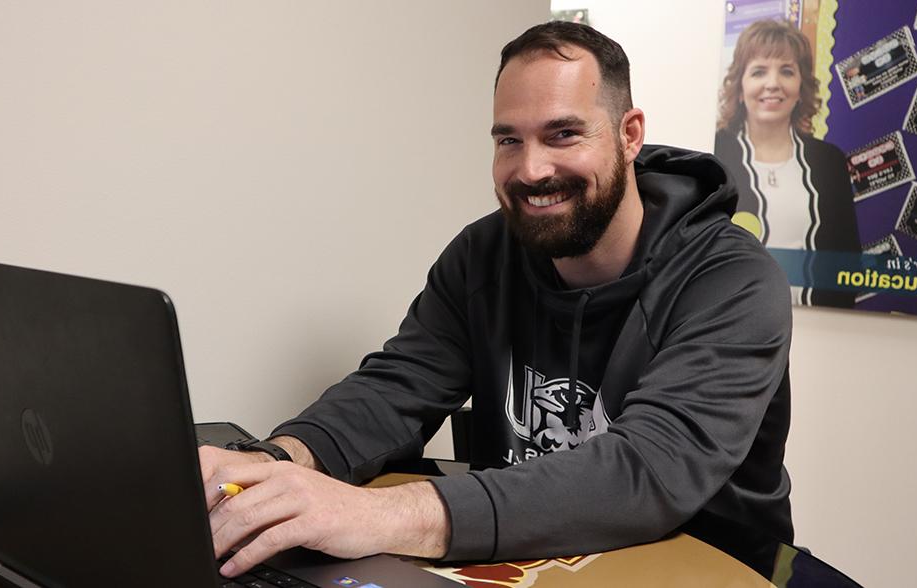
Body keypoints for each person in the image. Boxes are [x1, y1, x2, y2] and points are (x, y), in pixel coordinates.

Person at [201, 21, 794, 578]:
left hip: (707, 569)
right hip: (524, 562)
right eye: (509, 139)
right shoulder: (484, 253)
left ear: (628, 133)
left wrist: (378, 515)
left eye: (562, 134)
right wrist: (275, 462)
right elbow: (395, 389)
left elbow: (649, 470)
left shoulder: (733, 280)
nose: (531, 169)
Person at [714, 19, 861, 308]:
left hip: (822, 329)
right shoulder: (714, 153)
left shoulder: (828, 162)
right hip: (730, 330)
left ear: (800, 85)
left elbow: (848, 262)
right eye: (758, 71)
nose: (773, 84)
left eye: (786, 71)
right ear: (740, 87)